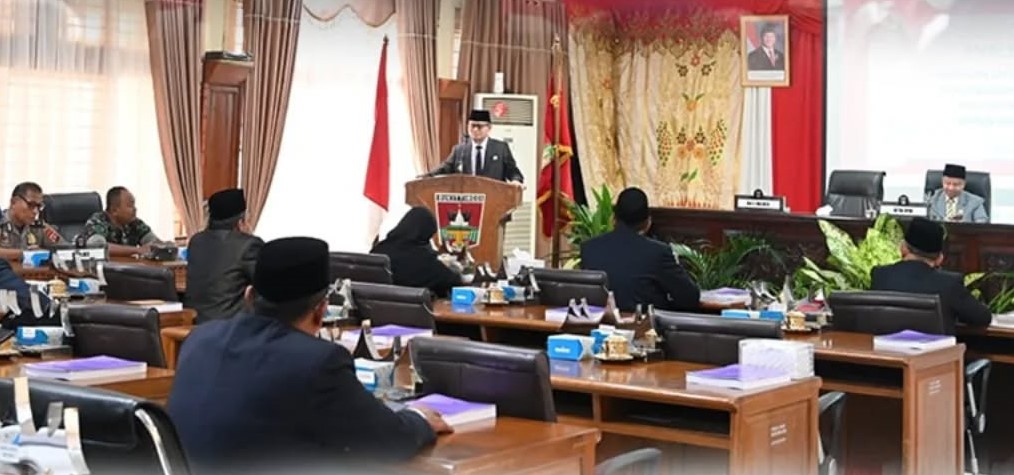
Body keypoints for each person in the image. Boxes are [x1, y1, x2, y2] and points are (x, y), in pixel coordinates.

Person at [168, 237, 451, 473]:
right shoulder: (317, 363)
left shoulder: (199, 340)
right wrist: (418, 418)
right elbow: (387, 441)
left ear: (249, 296)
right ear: (321, 310)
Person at [580, 187, 700, 312]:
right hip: (645, 324)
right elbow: (689, 298)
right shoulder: (658, 253)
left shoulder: (589, 249)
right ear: (647, 222)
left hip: (602, 323)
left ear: (613, 218)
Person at [870, 217, 991, 334]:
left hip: (887, 347)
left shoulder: (880, 276)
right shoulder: (949, 283)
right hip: (935, 348)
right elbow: (982, 317)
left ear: (903, 248)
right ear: (939, 259)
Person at [184, 189, 263, 323]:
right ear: (241, 221)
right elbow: (266, 284)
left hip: (194, 320)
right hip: (230, 324)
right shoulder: (248, 245)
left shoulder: (196, 241)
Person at [371, 207, 463, 298]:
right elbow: (454, 281)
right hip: (410, 307)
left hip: (374, 306)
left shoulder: (379, 250)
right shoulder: (424, 261)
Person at [428, 110, 524, 185]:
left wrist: (516, 180)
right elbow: (444, 169)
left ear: (489, 128)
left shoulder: (500, 148)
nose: (475, 129)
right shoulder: (459, 150)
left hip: (494, 198)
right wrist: (425, 177)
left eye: (479, 126)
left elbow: (512, 170)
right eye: (472, 126)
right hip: (467, 199)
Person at [82, 187, 162, 256]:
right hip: (101, 267)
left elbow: (155, 243)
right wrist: (137, 250)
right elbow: (97, 246)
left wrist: (162, 247)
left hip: (128, 267)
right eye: (130, 205)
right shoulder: (98, 220)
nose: (135, 209)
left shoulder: (135, 223)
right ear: (114, 210)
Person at [0, 182, 64, 260]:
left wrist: (44, 253)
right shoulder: (2, 223)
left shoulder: (40, 227)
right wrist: (25, 254)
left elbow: (64, 249)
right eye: (31, 205)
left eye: (39, 206)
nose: (35, 211)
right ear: (13, 202)